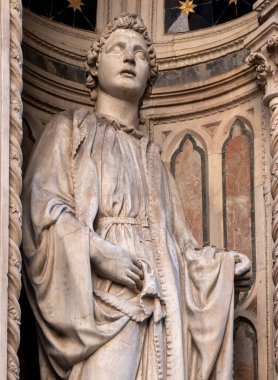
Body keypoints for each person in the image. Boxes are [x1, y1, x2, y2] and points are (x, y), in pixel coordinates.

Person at [22, 13, 252, 380]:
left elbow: (181, 246)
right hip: (100, 291)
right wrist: (100, 254)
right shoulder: (69, 129)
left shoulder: (153, 158)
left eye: (140, 53)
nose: (130, 57)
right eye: (118, 49)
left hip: (159, 292)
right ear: (95, 68)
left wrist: (220, 267)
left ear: (150, 78)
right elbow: (42, 209)